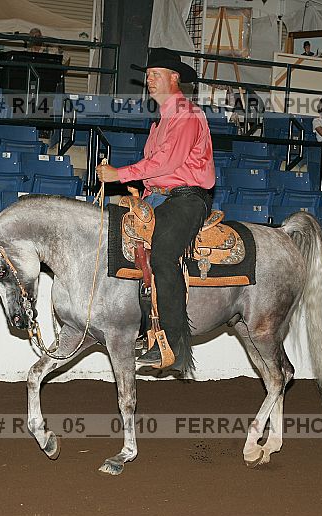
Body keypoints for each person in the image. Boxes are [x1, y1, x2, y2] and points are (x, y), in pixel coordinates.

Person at [96, 48, 214, 371]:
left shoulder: (186, 114)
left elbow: (166, 162)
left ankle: (172, 342)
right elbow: (156, 172)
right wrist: (142, 195)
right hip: (161, 197)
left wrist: (119, 175)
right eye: (148, 75)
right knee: (121, 244)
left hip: (188, 198)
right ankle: (140, 328)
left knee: (162, 255)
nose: (149, 80)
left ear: (174, 78)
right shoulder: (160, 122)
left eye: (155, 74)